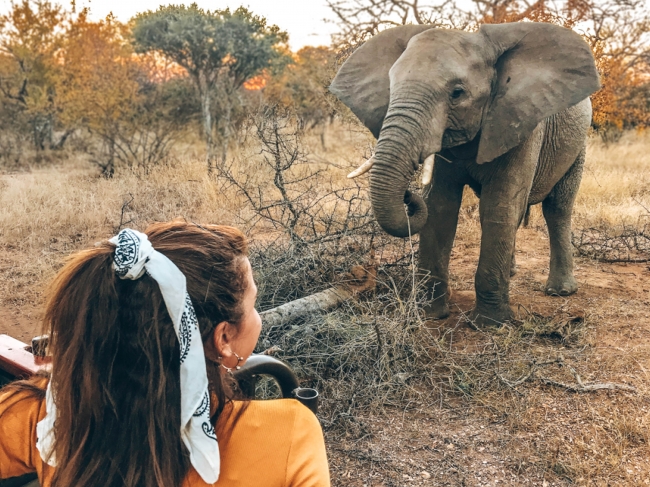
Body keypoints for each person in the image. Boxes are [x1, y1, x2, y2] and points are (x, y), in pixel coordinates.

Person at [0, 221, 330, 487]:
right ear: (224, 339)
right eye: (254, 304)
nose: (257, 315)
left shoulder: (41, 415)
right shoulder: (287, 434)